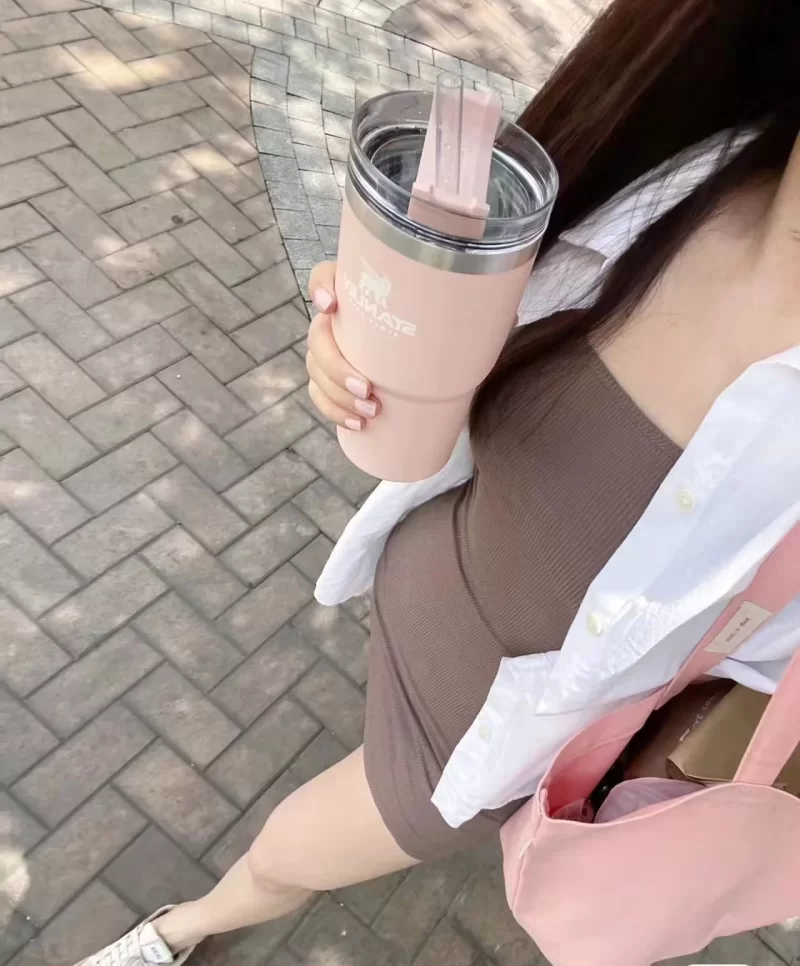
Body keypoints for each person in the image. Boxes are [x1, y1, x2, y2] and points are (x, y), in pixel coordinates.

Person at [76, 0, 800, 962]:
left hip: (465, 744)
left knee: (287, 856)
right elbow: (468, 371)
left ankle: (181, 930)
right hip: (417, 555)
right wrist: (368, 343)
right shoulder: (686, 165)